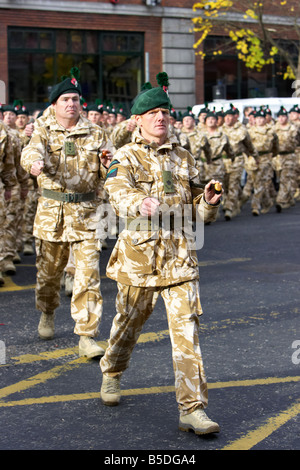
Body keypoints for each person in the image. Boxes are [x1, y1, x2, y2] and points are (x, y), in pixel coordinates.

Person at [99, 73, 222, 435]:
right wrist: (141, 201)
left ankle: (193, 408)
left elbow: (198, 206)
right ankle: (112, 371)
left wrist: (209, 202)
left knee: (187, 333)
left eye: (164, 112)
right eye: (152, 112)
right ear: (137, 120)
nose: (160, 118)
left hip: (181, 257)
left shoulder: (184, 157)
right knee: (128, 324)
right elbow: (117, 194)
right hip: (140, 260)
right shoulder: (125, 156)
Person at [21, 68, 114, 358]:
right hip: (52, 214)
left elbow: (109, 165)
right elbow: (30, 151)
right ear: (54, 104)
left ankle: (87, 335)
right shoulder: (43, 129)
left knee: (88, 277)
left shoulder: (96, 131)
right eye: (65, 100)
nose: (71, 104)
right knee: (48, 275)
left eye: (75, 99)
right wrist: (33, 164)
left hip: (87, 213)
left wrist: (111, 165)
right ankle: (48, 310)